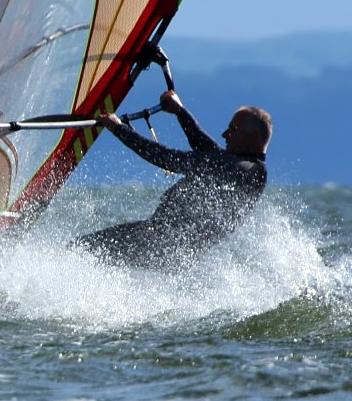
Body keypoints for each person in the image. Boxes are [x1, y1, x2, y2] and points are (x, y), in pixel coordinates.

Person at [70, 91, 272, 269]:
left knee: (78, 250)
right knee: (89, 255)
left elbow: (165, 157)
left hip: (160, 244)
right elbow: (209, 150)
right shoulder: (250, 169)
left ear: (253, 137)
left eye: (233, 129)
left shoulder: (237, 169)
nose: (225, 134)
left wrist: (119, 129)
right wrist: (180, 112)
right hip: (173, 249)